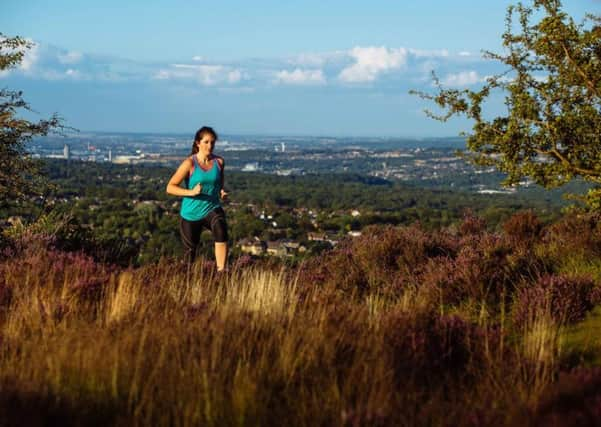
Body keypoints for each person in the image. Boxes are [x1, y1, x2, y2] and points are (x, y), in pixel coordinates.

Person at [166, 126, 229, 271]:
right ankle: (187, 284)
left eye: (212, 142)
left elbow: (219, 184)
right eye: (206, 142)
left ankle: (222, 273)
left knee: (221, 230)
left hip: (211, 207)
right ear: (197, 143)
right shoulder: (190, 163)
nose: (210, 146)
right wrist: (191, 192)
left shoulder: (219, 162)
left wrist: (222, 192)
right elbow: (170, 187)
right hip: (191, 213)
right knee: (189, 257)